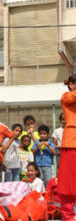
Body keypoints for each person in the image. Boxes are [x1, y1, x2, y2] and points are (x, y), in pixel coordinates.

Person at [58, 75, 76, 221]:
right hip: (72, 142)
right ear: (71, 84)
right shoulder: (66, 96)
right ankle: (68, 215)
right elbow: (70, 99)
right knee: (68, 182)